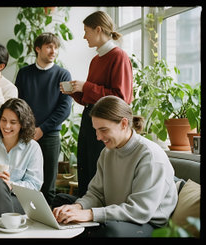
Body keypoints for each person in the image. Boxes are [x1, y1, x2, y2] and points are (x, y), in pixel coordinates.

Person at [51, 95, 178, 237]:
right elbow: (96, 194)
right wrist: (78, 207)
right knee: (61, 205)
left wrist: (90, 214)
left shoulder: (150, 156)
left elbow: (140, 210)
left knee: (111, 232)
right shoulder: (107, 153)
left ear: (124, 124)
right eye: (96, 130)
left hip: (147, 223)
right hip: (117, 214)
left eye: (103, 130)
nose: (98, 137)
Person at [60, 11, 133, 197]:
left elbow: (121, 99)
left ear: (98, 29)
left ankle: (95, 219)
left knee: (97, 172)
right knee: (85, 169)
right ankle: (83, 215)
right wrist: (76, 92)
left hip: (106, 124)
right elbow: (90, 98)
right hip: (90, 119)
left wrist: (86, 87)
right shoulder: (96, 60)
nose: (84, 36)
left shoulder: (119, 57)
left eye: (86, 31)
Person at [15, 32, 72, 204]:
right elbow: (18, 104)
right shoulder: (24, 73)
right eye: (49, 46)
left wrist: (42, 129)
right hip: (25, 134)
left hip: (50, 136)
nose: (53, 50)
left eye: (55, 47)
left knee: (48, 185)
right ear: (38, 49)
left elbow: (65, 108)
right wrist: (30, 129)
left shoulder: (64, 75)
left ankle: (47, 226)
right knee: (23, 178)